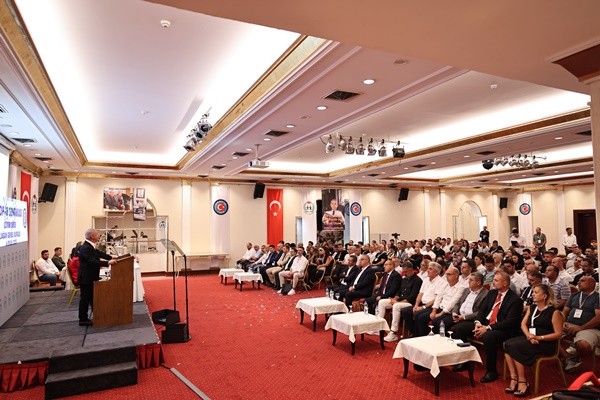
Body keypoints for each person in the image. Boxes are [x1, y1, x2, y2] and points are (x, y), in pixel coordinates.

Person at [451, 271, 523, 383]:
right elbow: (482, 310)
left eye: (496, 280)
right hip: (485, 323)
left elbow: (510, 322)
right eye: (493, 279)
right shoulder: (492, 293)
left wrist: (488, 327)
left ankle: (491, 371)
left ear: (505, 283)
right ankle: (464, 361)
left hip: (502, 328)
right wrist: (477, 322)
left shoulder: (515, 300)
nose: (493, 282)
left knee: (489, 336)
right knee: (458, 328)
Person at [503, 284, 563, 397]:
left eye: (536, 292)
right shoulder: (532, 308)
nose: (533, 295)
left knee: (516, 347)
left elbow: (558, 334)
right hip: (531, 337)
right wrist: (529, 336)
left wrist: (540, 338)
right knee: (507, 344)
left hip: (545, 342)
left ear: (544, 296)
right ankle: (514, 378)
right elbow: (523, 324)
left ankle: (522, 382)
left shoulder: (554, 312)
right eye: (533, 292)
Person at [78, 229, 117, 326]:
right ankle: (83, 319)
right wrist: (108, 262)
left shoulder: (90, 246)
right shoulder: (86, 247)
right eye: (97, 234)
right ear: (92, 236)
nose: (99, 235)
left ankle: (97, 315)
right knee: (85, 299)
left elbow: (99, 254)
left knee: (92, 297)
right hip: (86, 278)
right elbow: (92, 261)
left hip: (91, 276)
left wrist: (111, 257)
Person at [562, 275, 600, 373]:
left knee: (583, 345)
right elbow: (564, 312)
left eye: (582, 281)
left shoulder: (597, 297)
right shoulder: (574, 295)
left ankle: (575, 358)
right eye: (578, 281)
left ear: (592, 284)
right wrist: (562, 322)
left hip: (589, 328)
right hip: (569, 325)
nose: (578, 282)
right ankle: (566, 357)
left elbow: (598, 318)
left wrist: (581, 327)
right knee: (546, 333)